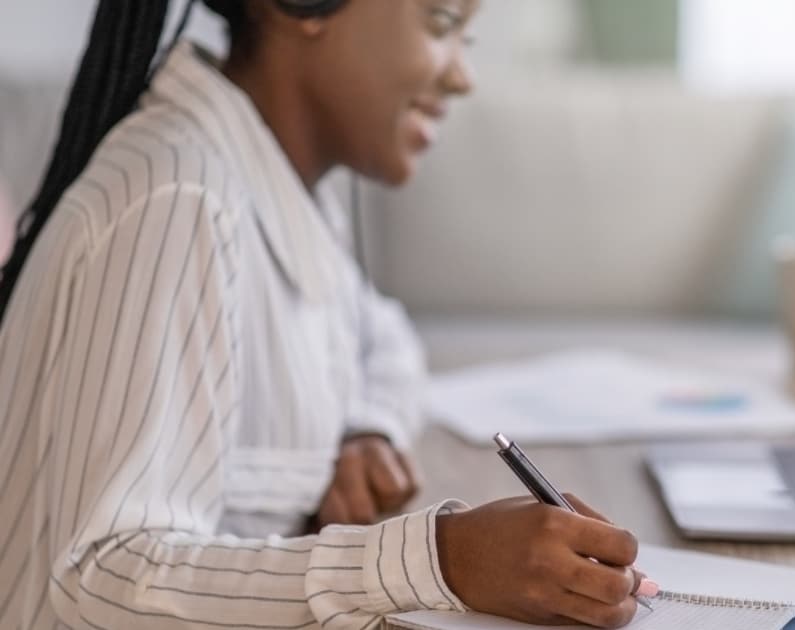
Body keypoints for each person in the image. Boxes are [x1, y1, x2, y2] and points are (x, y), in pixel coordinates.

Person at [0, 1, 646, 628]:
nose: (462, 74)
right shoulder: (181, 199)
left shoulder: (280, 182)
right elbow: (107, 576)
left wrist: (366, 429)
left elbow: (385, 341)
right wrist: (441, 560)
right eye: (442, 22)